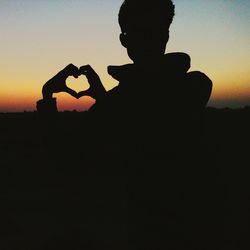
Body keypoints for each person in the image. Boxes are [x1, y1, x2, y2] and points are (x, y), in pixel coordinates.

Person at [36, 0, 214, 249]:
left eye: (150, 31)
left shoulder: (119, 104)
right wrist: (106, 96)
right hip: (197, 226)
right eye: (145, 31)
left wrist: (47, 97)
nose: (148, 39)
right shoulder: (196, 86)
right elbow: (150, 106)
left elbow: (67, 159)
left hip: (142, 230)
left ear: (124, 40)